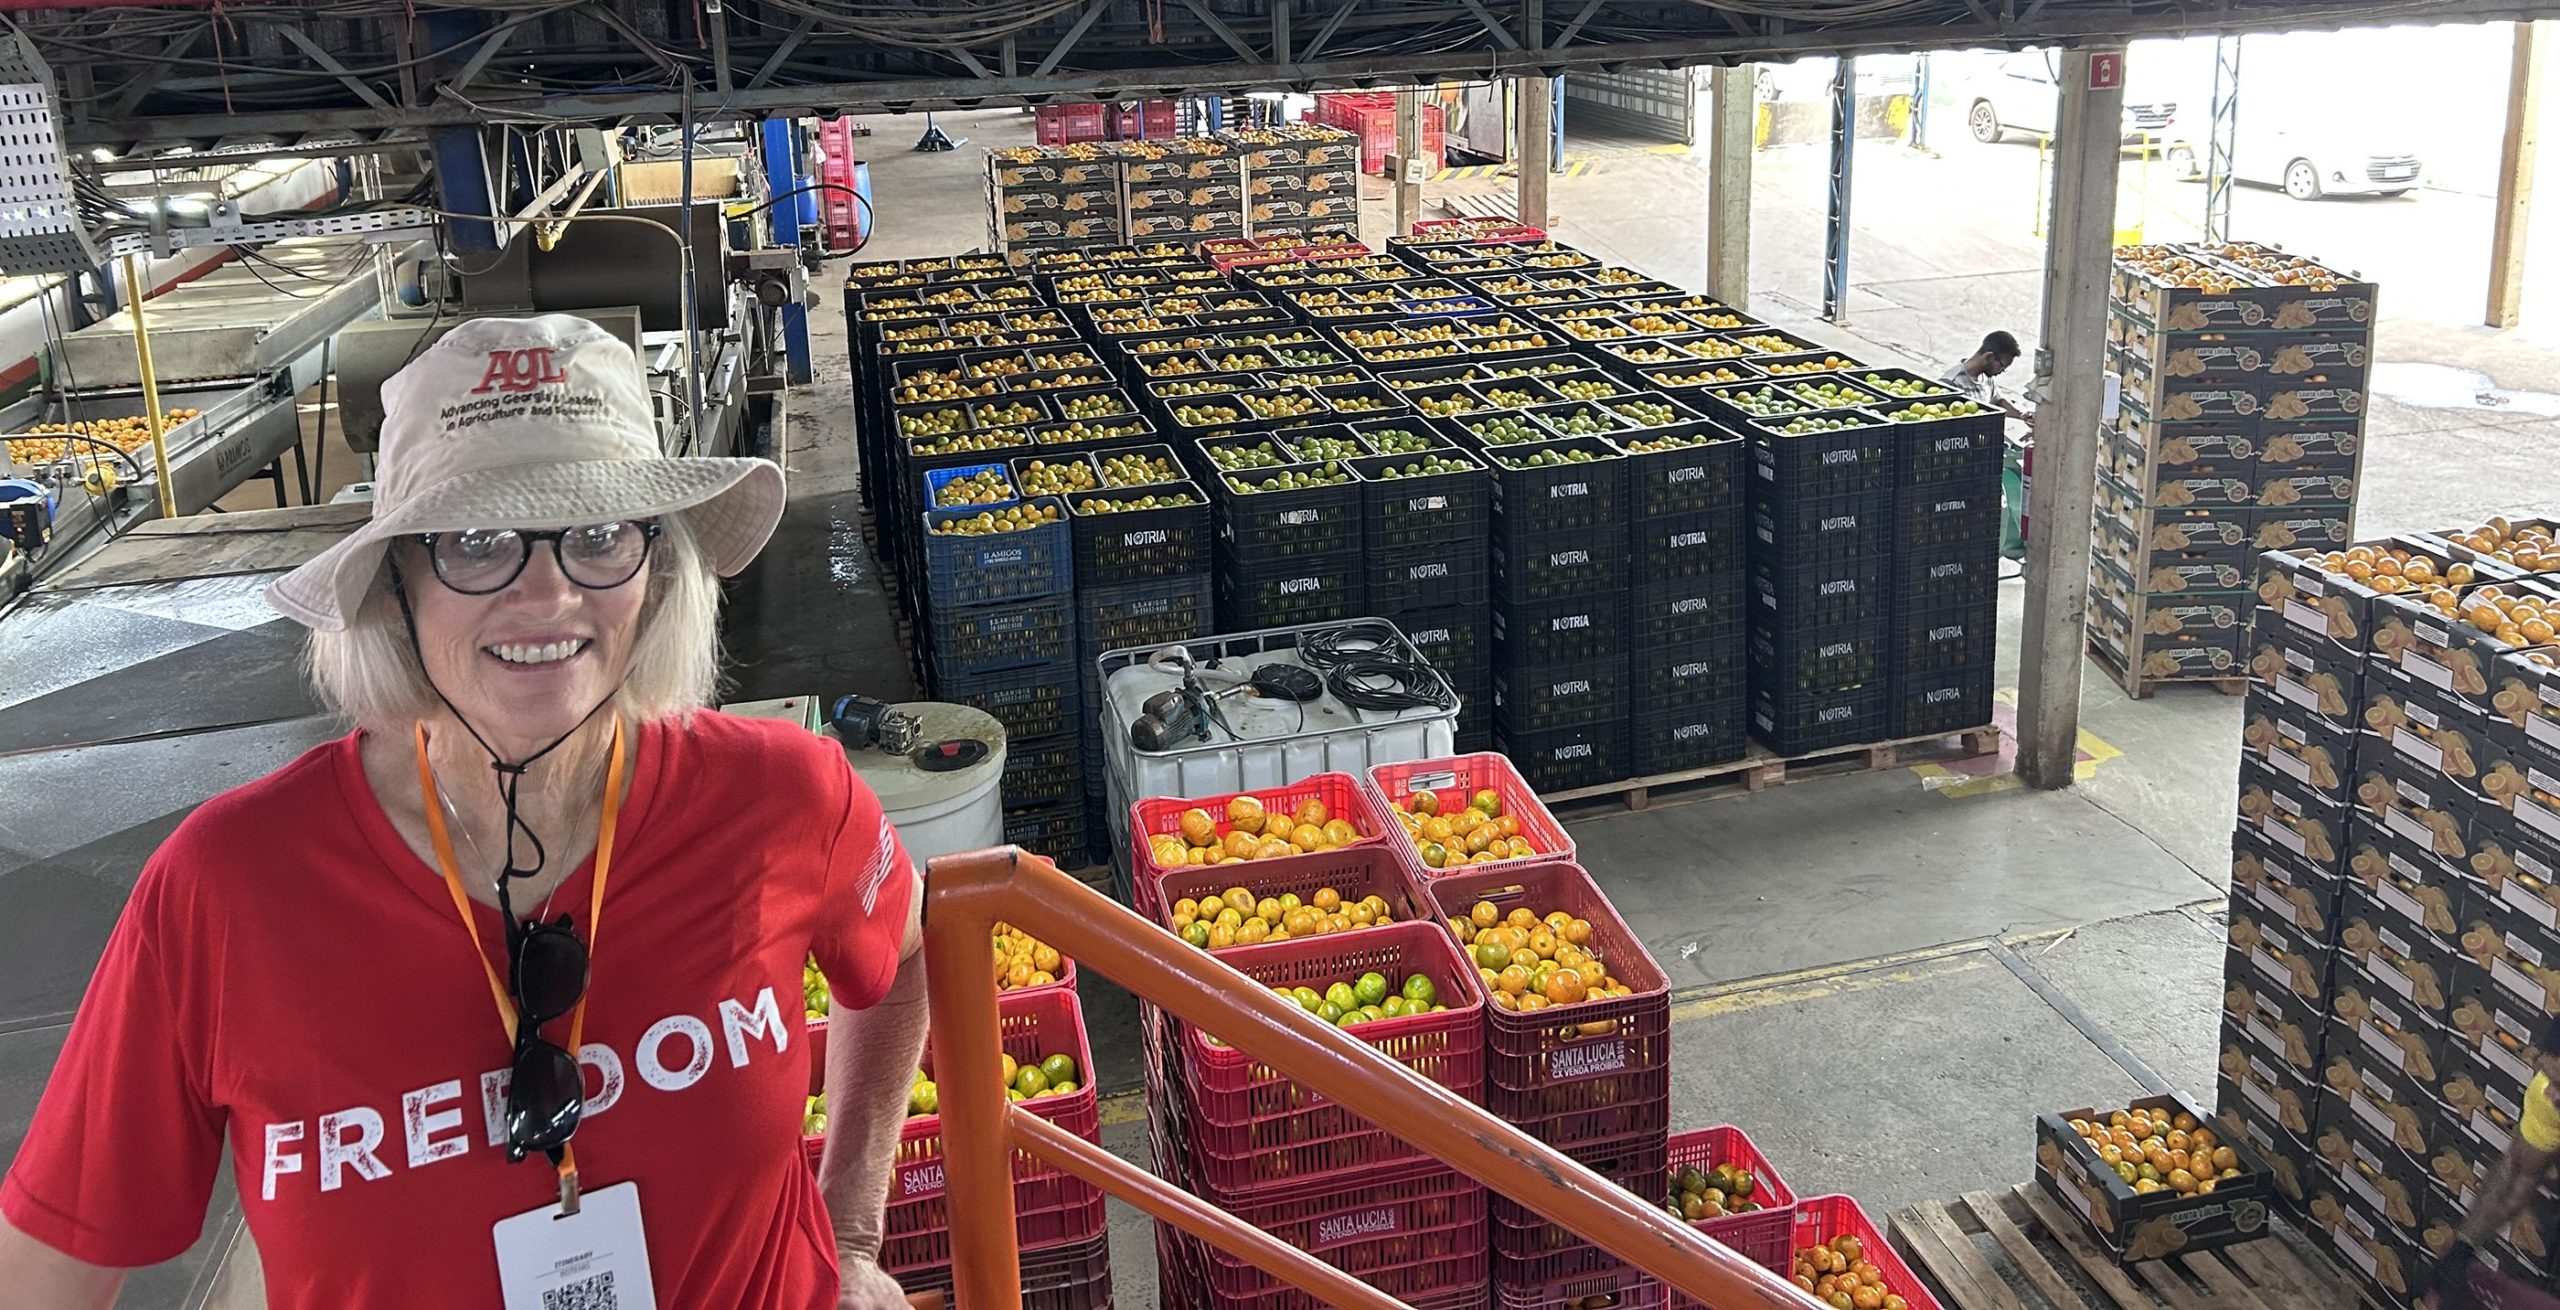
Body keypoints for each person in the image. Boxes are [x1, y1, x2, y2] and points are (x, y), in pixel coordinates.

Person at [0, 315, 929, 1310]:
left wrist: (852, 1230)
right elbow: (48, 1271)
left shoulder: (782, 797)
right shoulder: (224, 893)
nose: (550, 590)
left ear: (657, 573)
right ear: (394, 583)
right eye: (479, 542)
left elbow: (902, 952)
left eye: (598, 535)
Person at [2426, 1015, 2560, 1308]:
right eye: (2550, 1077)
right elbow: (2517, 1172)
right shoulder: (2547, 1097)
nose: (2551, 1092)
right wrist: (2463, 1245)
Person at [1942, 330, 2031, 423]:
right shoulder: (1952, 383)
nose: (2002, 371)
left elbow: (1997, 402)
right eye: (2001, 366)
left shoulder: (1986, 377)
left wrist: (2020, 415)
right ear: (1989, 357)